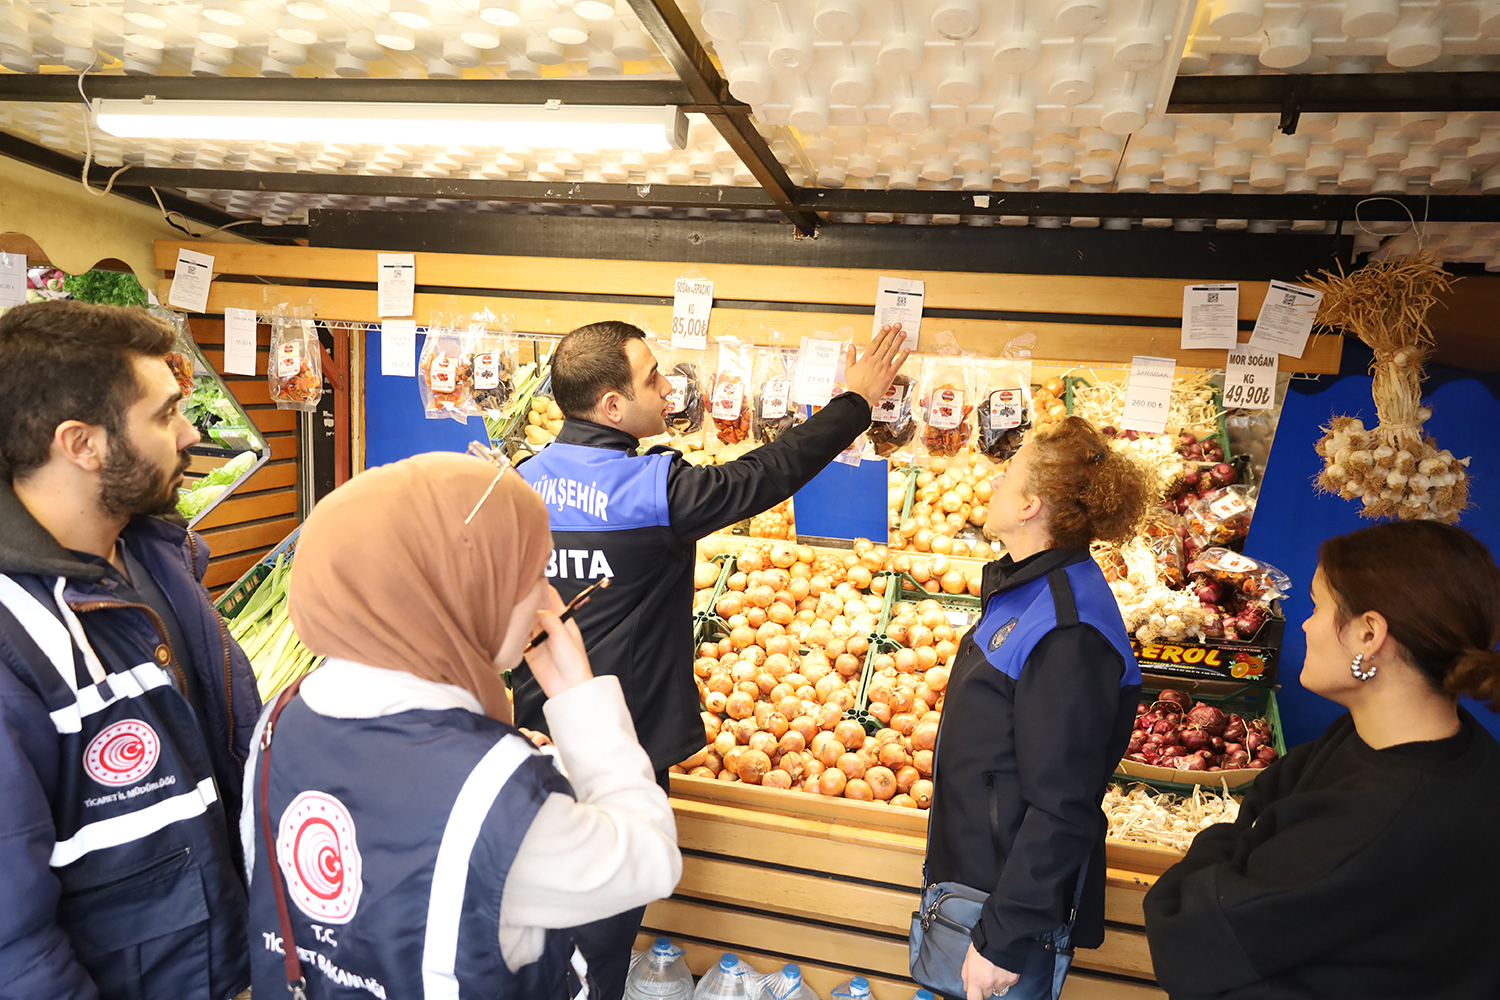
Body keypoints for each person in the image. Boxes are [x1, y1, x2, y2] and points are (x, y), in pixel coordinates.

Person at [511, 320, 908, 999]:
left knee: (535, 930)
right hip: (620, 751)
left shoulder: (520, 483)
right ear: (611, 406)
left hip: (530, 742)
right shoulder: (650, 490)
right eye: (653, 379)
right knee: (601, 945)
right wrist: (855, 402)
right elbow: (767, 473)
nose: (669, 390)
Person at [242, 452, 681, 1000]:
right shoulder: (500, 799)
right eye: (532, 572)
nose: (552, 599)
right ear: (464, 587)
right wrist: (579, 697)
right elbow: (651, 861)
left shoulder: (279, 721)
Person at [0, 301, 261, 999]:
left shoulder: (158, 557)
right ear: (82, 444)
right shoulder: (15, 640)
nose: (189, 431)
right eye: (165, 414)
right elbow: (12, 944)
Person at [1144, 520, 1500, 999]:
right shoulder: (1410, 742)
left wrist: (1225, 845)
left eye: (1317, 606)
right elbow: (1272, 795)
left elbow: (1183, 931)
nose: (1307, 625)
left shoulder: (1379, 824)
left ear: (1369, 633)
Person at [922, 416, 1153, 1000]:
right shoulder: (1028, 586)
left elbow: (1063, 806)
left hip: (1007, 916)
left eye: (1008, 475)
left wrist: (1002, 940)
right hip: (977, 885)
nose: (994, 483)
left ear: (1030, 506)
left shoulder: (1068, 633)